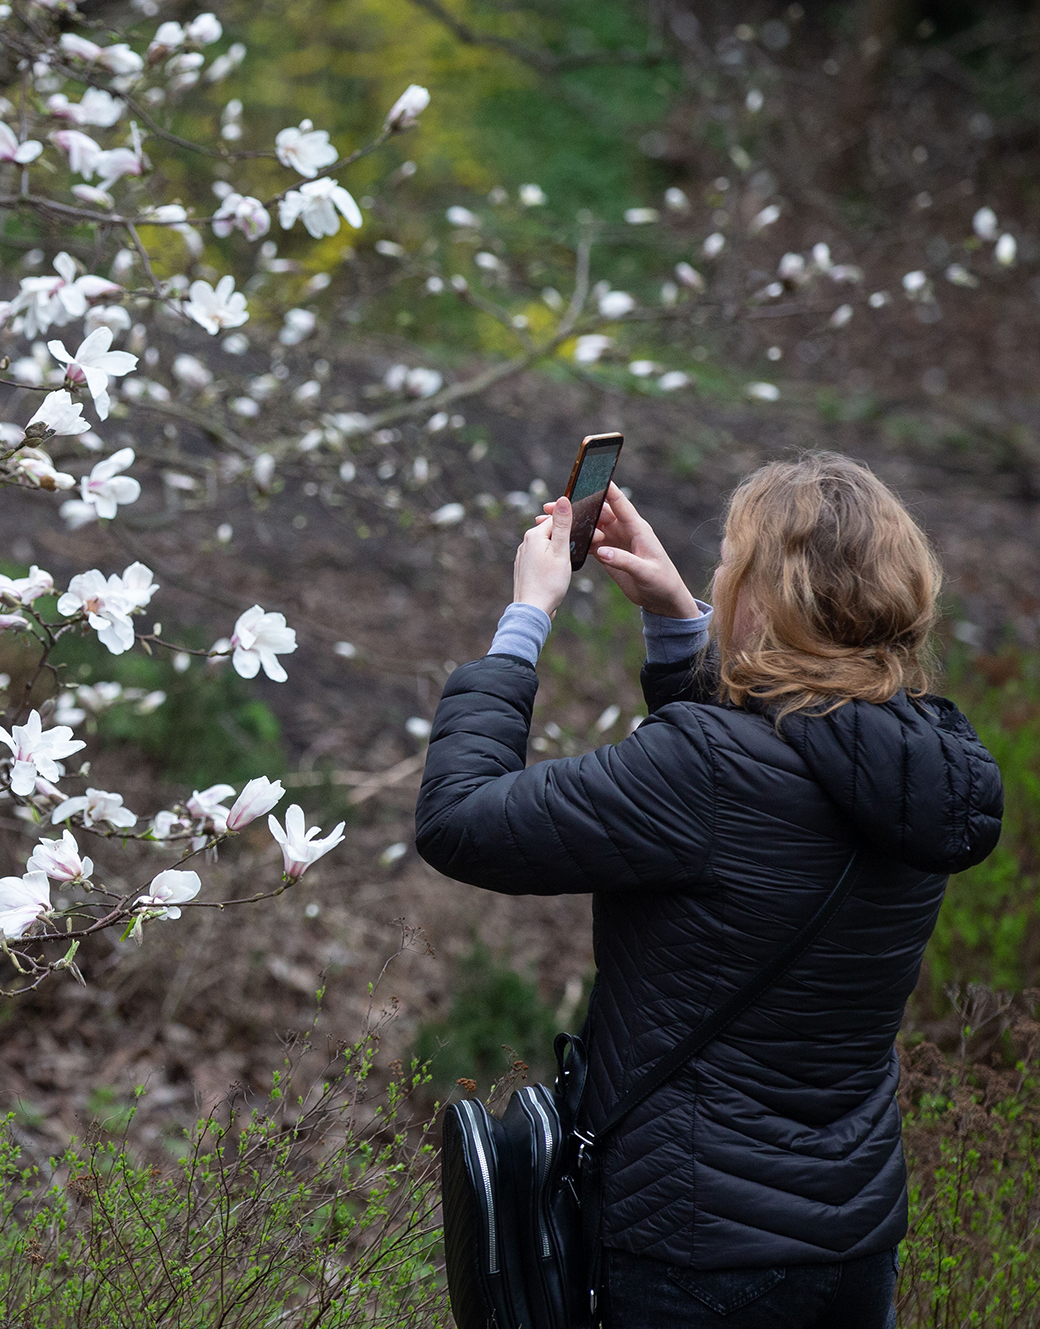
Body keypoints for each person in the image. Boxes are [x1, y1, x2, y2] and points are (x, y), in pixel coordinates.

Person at [414, 453, 1002, 1327]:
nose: (716, 572)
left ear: (767, 596)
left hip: (695, 1246)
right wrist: (678, 619)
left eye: (731, 561)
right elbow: (770, 765)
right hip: (851, 1246)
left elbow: (460, 819)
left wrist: (525, 615)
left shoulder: (707, 770)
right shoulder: (933, 768)